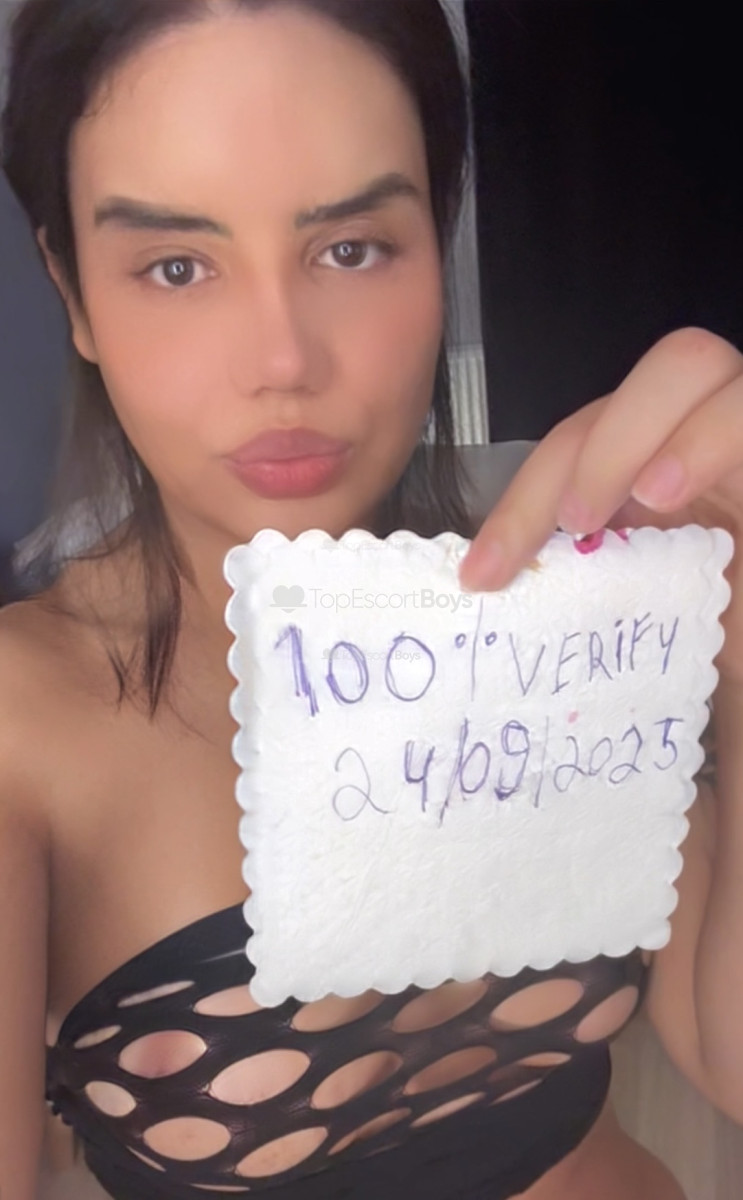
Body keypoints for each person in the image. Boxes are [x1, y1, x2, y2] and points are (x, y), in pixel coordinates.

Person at [1, 2, 742, 1199]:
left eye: (349, 248)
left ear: (432, 248)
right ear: (74, 291)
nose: (282, 360)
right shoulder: (20, 725)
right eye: (177, 267)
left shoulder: (559, 623)